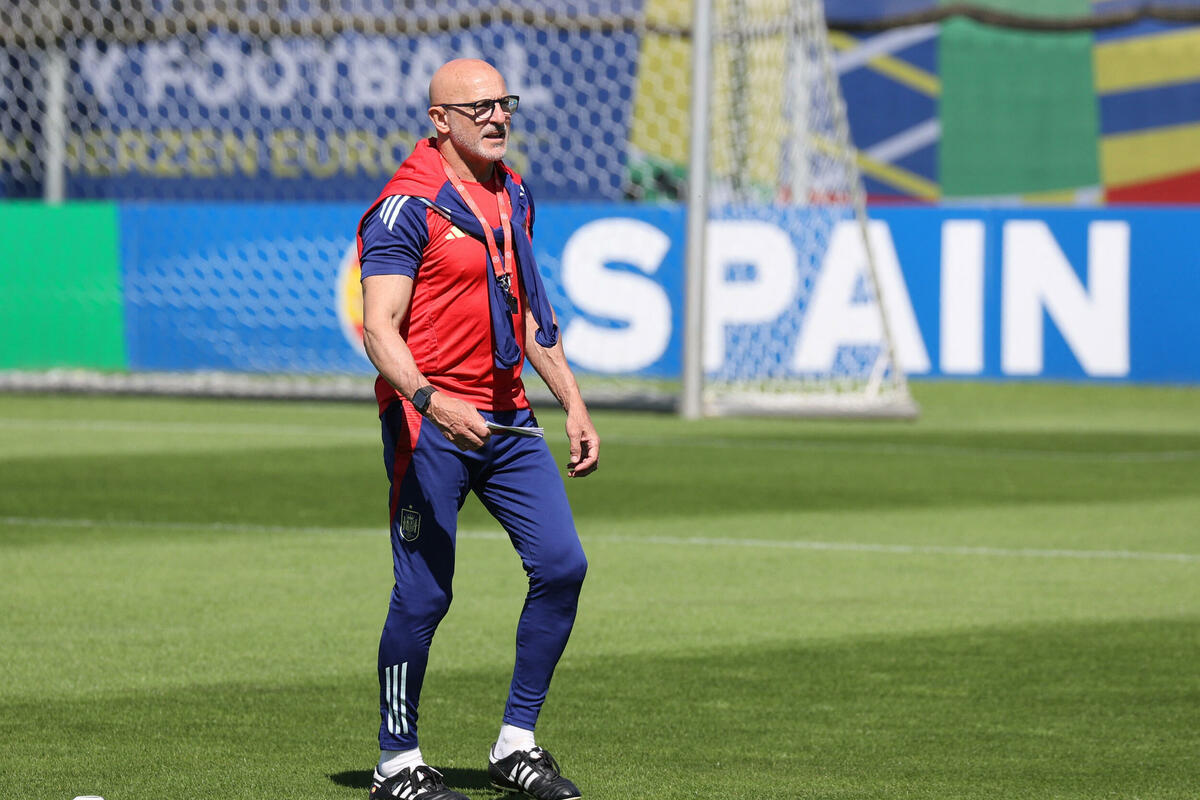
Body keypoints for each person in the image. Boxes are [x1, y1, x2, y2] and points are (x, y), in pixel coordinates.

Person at [355, 58, 599, 800]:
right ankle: (395, 762)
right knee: (425, 594)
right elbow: (379, 328)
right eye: (479, 108)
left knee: (562, 566)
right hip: (429, 423)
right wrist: (432, 402)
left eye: (505, 103)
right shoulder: (404, 207)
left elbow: (525, 313)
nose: (498, 117)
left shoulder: (513, 191)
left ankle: (515, 745)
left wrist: (573, 401)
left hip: (507, 418)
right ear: (439, 121)